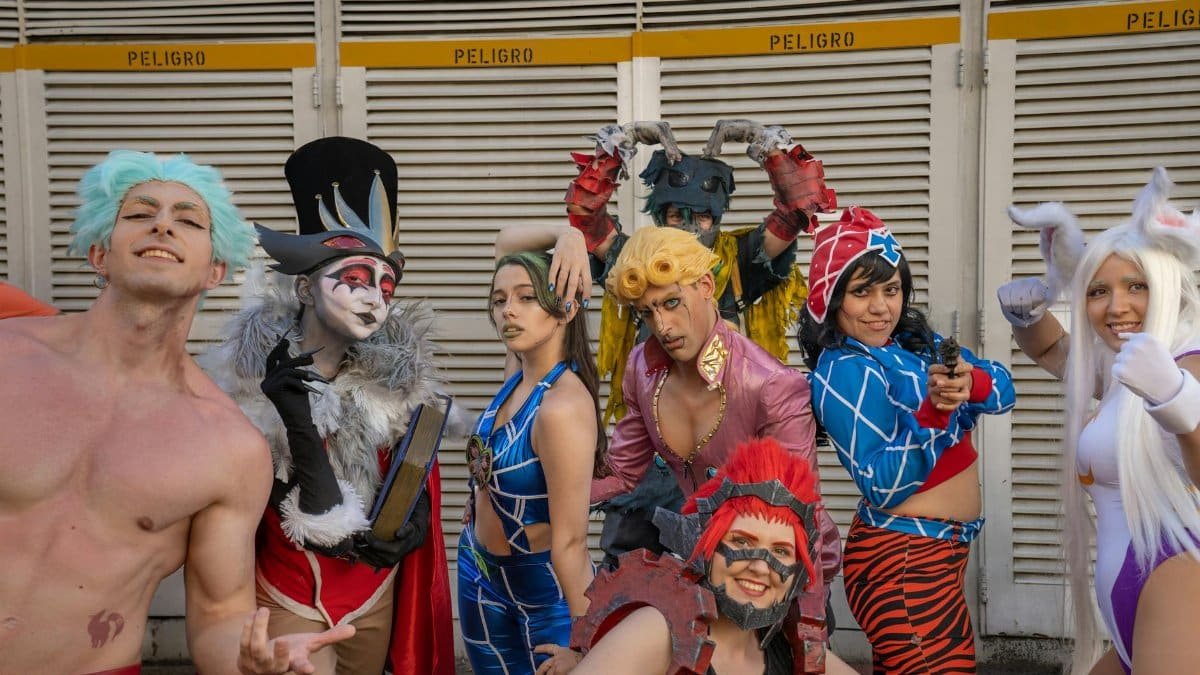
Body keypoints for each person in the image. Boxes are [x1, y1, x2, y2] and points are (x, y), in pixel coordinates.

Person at [0, 149, 351, 674]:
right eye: (140, 213)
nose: (162, 225)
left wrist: (251, 662)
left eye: (187, 221)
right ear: (99, 254)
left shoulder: (230, 448)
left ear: (215, 270)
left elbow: (219, 616)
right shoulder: (6, 356)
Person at [497, 118, 837, 566]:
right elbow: (585, 219)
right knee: (625, 569)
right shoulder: (637, 282)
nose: (690, 228)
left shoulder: (739, 263)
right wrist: (615, 148)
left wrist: (769, 145)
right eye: (677, 216)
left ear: (706, 287)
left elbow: (797, 210)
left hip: (731, 462)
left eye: (702, 217)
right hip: (654, 454)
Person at [201, 137, 455, 675]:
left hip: (375, 595)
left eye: (386, 285)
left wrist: (413, 526)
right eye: (356, 280)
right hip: (290, 593)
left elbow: (412, 471)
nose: (375, 299)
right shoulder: (247, 382)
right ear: (303, 288)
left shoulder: (400, 383)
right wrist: (296, 417)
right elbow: (283, 506)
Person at [588, 226, 842, 655]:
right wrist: (541, 494)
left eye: (672, 302)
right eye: (647, 313)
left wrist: (810, 626)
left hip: (779, 576)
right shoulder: (642, 369)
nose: (662, 326)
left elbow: (802, 515)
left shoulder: (771, 386)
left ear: (706, 286)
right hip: (705, 569)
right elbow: (622, 472)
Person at [997, 168, 1200, 674]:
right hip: (1131, 597)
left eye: (1136, 286)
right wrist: (1027, 316)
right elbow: (1054, 351)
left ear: (1169, 286)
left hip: (1178, 580)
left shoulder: (1187, 363)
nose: (1116, 307)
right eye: (1097, 291)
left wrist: (1178, 399)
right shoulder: (1120, 369)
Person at [798, 206, 1016, 673]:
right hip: (904, 563)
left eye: (892, 290)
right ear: (830, 299)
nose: (882, 307)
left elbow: (1004, 390)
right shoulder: (841, 370)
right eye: (862, 292)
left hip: (935, 557)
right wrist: (935, 411)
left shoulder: (911, 345)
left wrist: (969, 383)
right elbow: (883, 484)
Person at [534, 437, 857, 675]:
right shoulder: (658, 632)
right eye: (741, 542)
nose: (760, 567)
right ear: (706, 547)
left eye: (781, 551)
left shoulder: (791, 645)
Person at [456, 246, 607, 675]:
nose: (508, 310)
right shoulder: (519, 375)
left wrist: (586, 643)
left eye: (526, 297)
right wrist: (567, 235)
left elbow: (572, 545)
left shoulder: (561, 407)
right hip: (478, 574)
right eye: (499, 299)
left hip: (542, 599)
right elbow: (508, 242)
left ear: (566, 308)